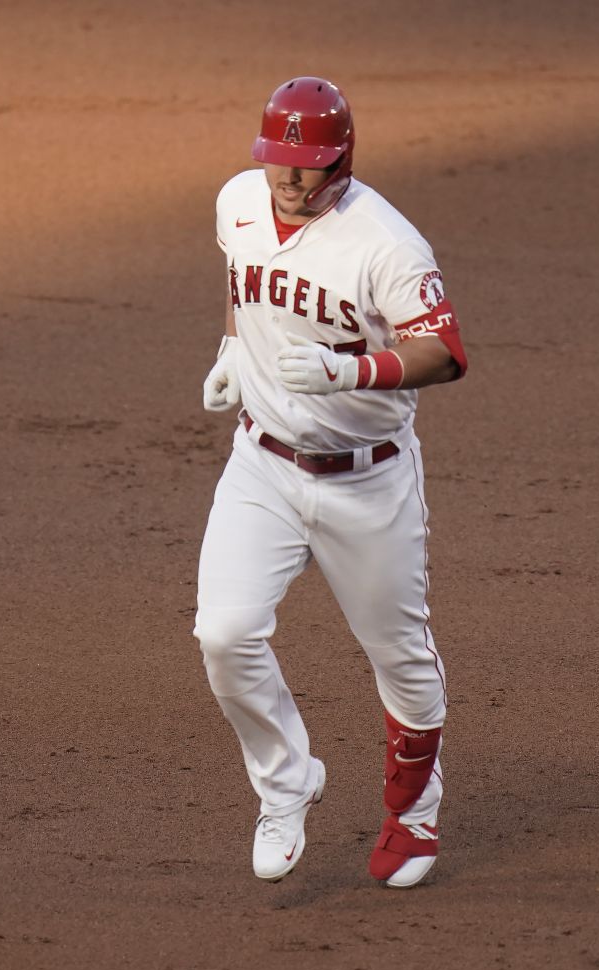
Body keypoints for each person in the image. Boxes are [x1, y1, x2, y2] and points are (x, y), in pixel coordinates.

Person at [195, 76, 468, 888]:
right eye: (280, 159)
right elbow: (248, 290)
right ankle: (287, 784)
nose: (291, 177)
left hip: (368, 485)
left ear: (340, 161)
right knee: (223, 632)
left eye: (308, 164)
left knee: (402, 660)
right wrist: (233, 352)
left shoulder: (386, 243)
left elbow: (445, 352)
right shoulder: (238, 202)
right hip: (263, 465)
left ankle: (413, 815)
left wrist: (349, 368)